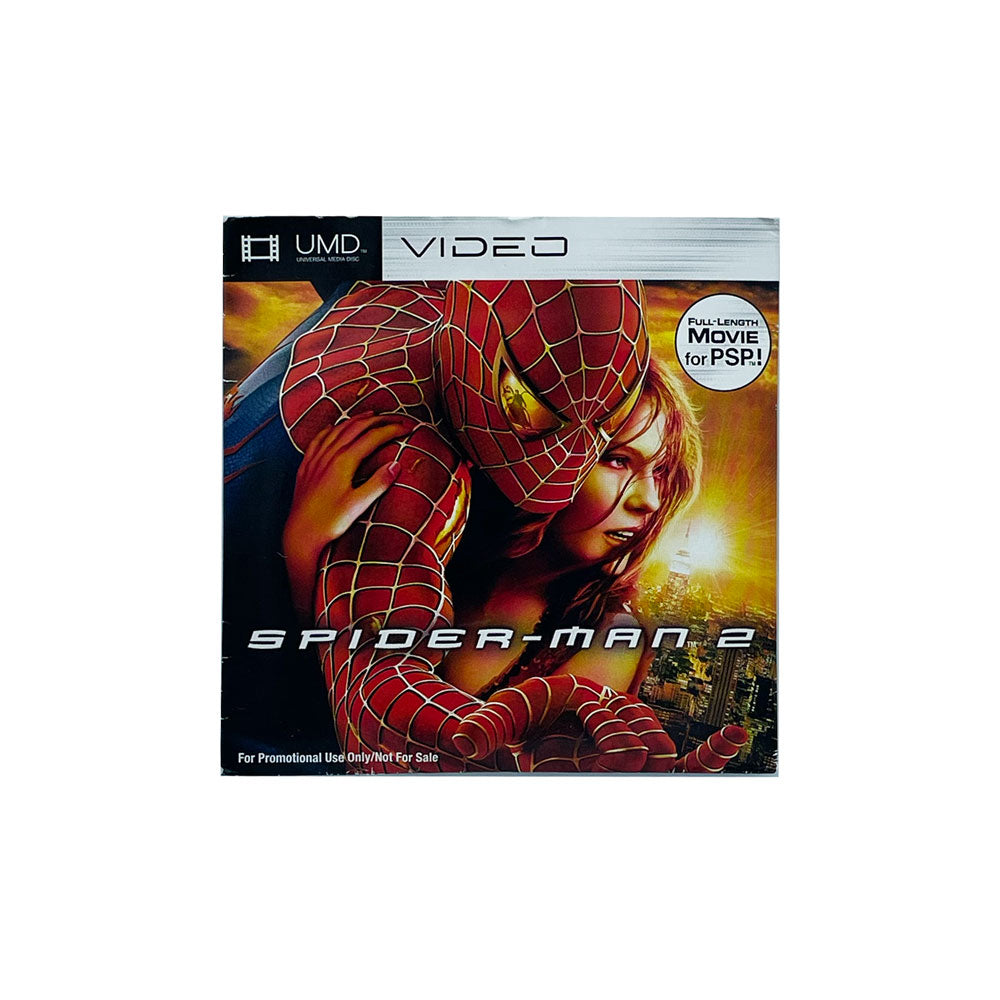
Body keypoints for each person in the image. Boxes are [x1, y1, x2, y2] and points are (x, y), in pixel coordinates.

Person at [283, 361, 747, 772]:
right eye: (617, 460)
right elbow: (322, 691)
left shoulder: (607, 638)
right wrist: (305, 543)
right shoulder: (437, 537)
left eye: (661, 473)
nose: (649, 501)